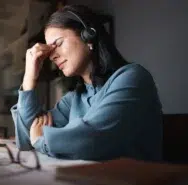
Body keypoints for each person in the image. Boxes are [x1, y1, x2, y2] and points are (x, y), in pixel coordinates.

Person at [10, 5, 162, 161]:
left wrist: (41, 140)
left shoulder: (133, 78)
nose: (52, 57)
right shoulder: (73, 99)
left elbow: (93, 139)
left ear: (88, 36)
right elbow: (28, 139)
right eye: (49, 51)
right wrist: (29, 78)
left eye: (59, 43)